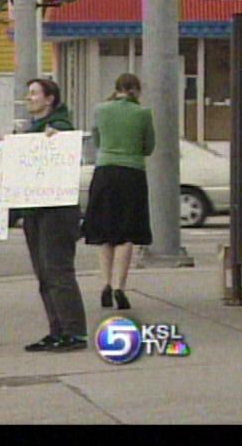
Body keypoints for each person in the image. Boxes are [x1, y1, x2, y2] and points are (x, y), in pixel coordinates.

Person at [20, 78, 88, 353]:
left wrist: (50, 142)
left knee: (57, 270)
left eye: (34, 93)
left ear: (50, 99)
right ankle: (57, 328)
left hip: (57, 212)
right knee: (44, 273)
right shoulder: (33, 130)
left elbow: (61, 154)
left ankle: (74, 331)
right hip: (35, 210)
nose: (29, 98)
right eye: (29, 93)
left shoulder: (59, 128)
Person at [82, 73, 155, 310]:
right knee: (126, 235)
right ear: (136, 90)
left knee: (105, 233)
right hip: (131, 174)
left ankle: (104, 283)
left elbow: (97, 139)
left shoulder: (100, 110)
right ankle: (119, 288)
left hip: (105, 173)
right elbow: (149, 146)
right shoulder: (142, 113)